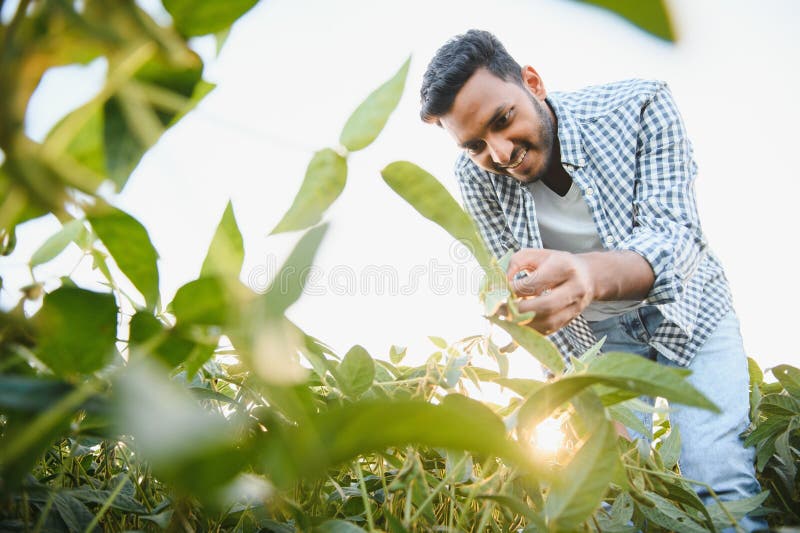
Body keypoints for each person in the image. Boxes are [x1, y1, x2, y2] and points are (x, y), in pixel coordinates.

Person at [420, 29, 765, 531]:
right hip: (596, 343)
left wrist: (586, 276)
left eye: (503, 120)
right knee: (615, 493)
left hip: (691, 314)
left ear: (533, 83)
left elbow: (674, 237)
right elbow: (514, 281)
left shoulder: (639, 105)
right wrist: (559, 366)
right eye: (475, 145)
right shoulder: (476, 176)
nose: (499, 154)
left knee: (717, 474)